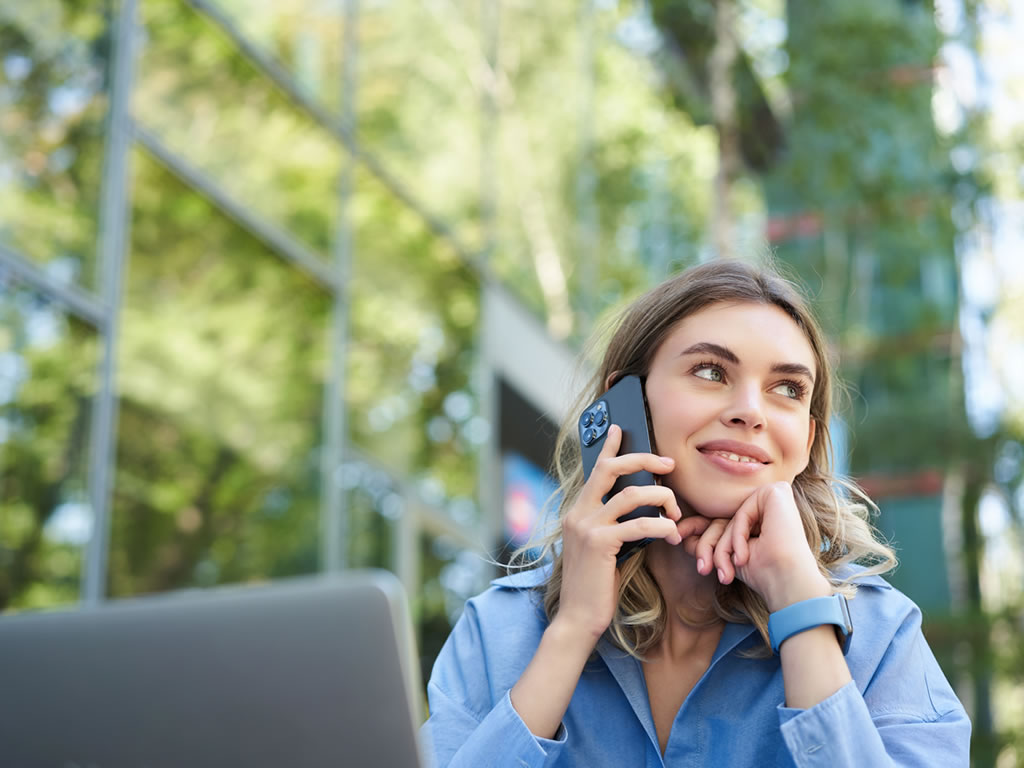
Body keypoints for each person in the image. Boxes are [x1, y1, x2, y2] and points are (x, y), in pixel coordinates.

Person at [421, 260, 971, 767]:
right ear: (625, 406)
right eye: (710, 372)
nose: (750, 412)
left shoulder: (881, 635)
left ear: (805, 441)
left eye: (786, 388)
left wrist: (802, 611)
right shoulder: (502, 629)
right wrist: (571, 630)